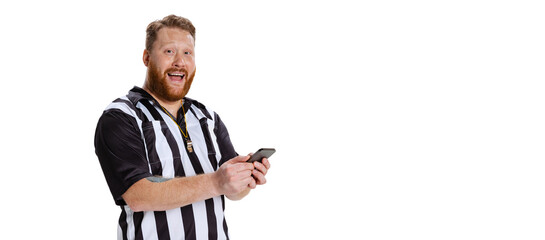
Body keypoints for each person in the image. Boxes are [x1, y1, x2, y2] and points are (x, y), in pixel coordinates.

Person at [94, 14, 271, 240]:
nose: (180, 61)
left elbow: (233, 192)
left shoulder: (208, 118)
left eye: (187, 53)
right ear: (147, 58)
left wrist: (245, 178)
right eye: (169, 51)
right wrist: (217, 181)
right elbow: (138, 196)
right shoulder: (121, 116)